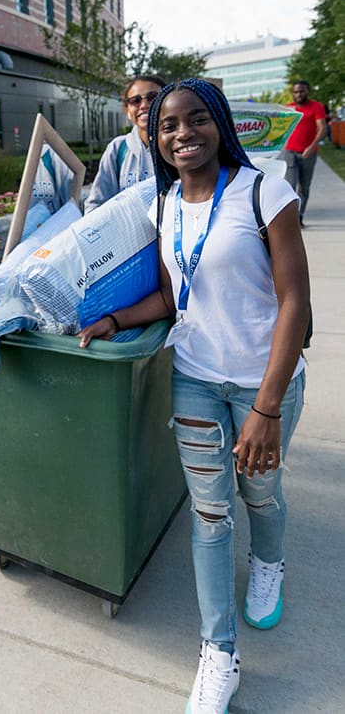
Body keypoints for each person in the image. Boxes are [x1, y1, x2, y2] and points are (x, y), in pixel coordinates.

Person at [78, 79, 310, 714]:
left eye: (196, 119)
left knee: (259, 489)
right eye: (168, 125)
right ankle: (218, 653)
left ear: (219, 124)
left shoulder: (265, 190)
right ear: (153, 137)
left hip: (268, 383)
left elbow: (297, 304)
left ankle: (269, 564)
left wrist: (264, 409)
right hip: (196, 379)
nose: (183, 133)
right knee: (210, 513)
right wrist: (118, 320)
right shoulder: (163, 205)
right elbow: (170, 296)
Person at [84, 75, 167, 212]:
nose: (144, 105)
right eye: (135, 101)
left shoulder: (177, 147)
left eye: (153, 97)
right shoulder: (117, 149)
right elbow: (96, 205)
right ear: (127, 110)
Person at [283, 79, 326, 225]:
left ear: (307, 91)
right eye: (296, 92)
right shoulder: (288, 108)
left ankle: (299, 217)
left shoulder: (316, 107)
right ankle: (290, 219)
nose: (298, 94)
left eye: (301, 91)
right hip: (289, 152)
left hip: (308, 153)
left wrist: (312, 146)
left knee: (304, 187)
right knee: (289, 186)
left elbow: (322, 128)